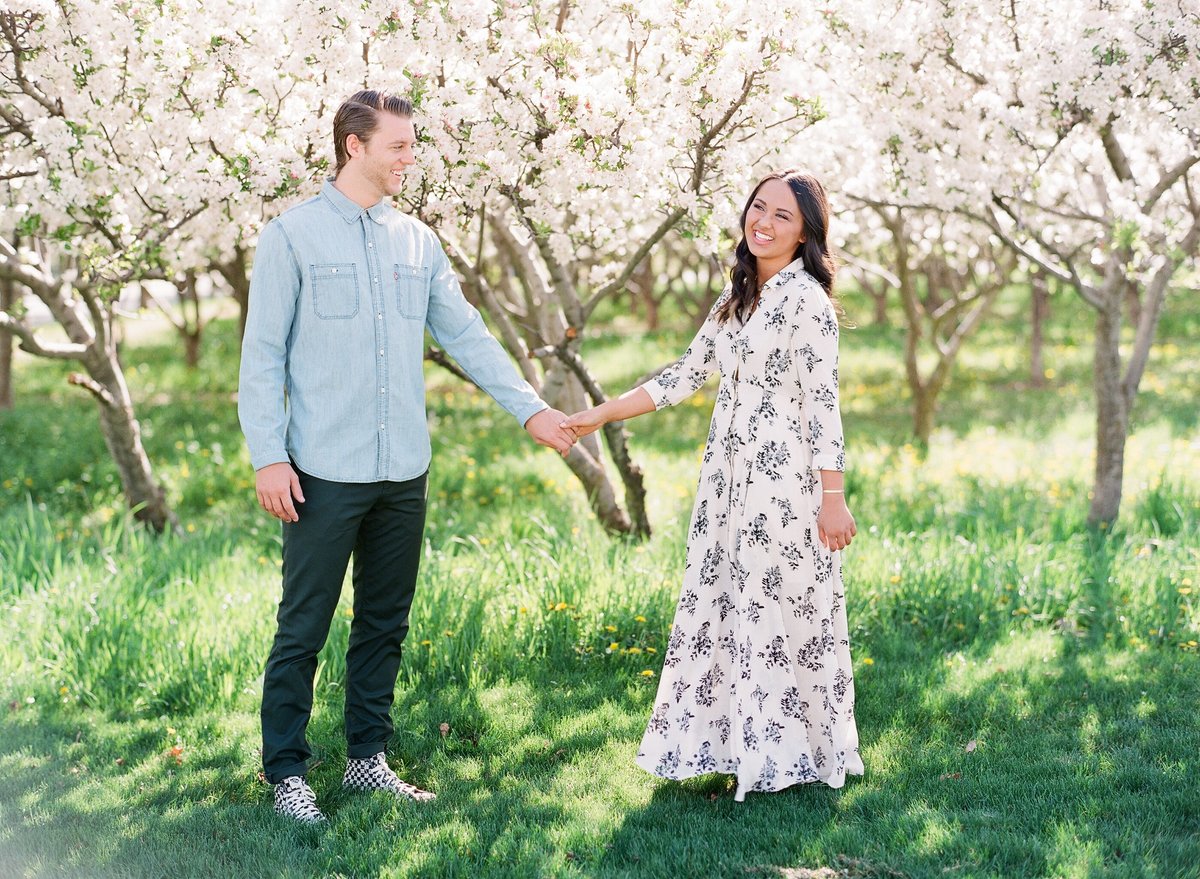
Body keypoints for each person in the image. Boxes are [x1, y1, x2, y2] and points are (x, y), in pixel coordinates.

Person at [238, 89, 576, 823]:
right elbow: (261, 355)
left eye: (412, 145)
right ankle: (286, 771)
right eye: (398, 145)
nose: (409, 157)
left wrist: (532, 408)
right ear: (353, 146)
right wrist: (269, 455)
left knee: (384, 621)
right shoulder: (290, 236)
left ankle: (366, 760)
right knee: (304, 625)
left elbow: (468, 335)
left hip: (403, 472)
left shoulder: (417, 241)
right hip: (321, 471)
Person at [563, 170, 862, 801]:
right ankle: (742, 746)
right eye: (759, 208)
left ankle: (788, 752)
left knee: (778, 609)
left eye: (783, 215)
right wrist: (600, 413)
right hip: (728, 481)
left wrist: (832, 498)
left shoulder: (806, 302)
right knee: (731, 606)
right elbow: (684, 375)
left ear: (807, 230)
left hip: (781, 484)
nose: (765, 222)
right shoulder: (737, 298)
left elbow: (823, 404)